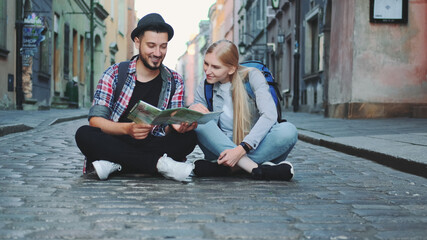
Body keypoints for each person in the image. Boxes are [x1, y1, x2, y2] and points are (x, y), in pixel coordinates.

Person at [75, 13, 197, 182]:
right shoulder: (115, 73)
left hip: (153, 142)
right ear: (138, 42)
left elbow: (168, 129)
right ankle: (160, 165)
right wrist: (128, 129)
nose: (157, 53)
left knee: (190, 138)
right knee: (84, 134)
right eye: (151, 45)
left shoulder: (175, 80)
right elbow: (95, 120)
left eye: (163, 46)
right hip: (117, 139)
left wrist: (179, 126)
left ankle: (115, 163)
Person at [189, 39, 298, 181]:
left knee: (288, 131)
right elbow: (196, 115)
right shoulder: (205, 86)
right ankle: (256, 169)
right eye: (206, 64)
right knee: (200, 122)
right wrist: (192, 109)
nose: (208, 71)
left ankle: (226, 168)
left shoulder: (253, 76)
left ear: (231, 68)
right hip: (220, 147)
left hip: (253, 145)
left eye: (215, 67)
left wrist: (241, 150)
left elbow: (270, 115)